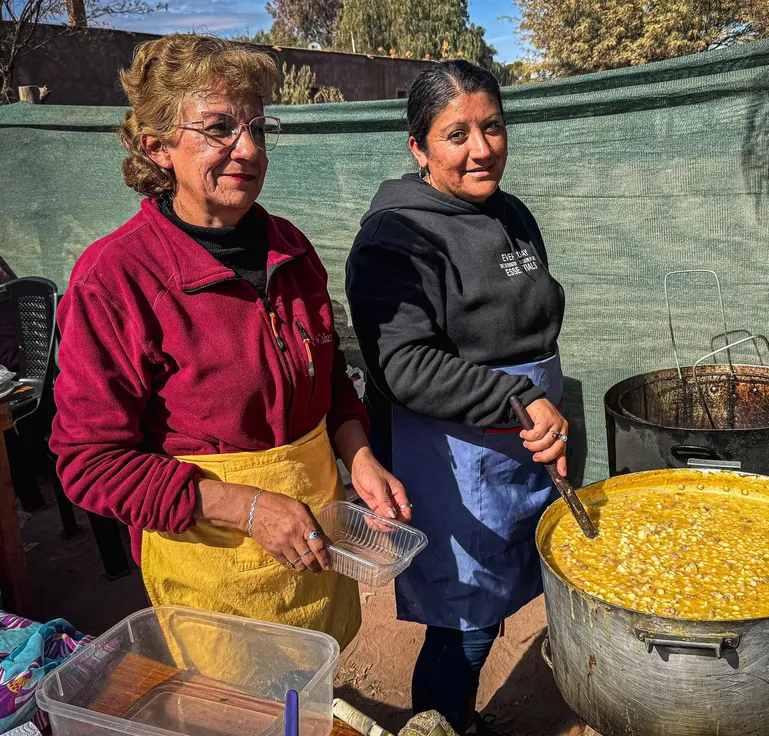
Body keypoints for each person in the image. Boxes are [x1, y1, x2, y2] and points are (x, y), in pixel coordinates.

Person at [49, 35, 410, 647]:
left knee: (316, 688)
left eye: (257, 128)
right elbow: (88, 462)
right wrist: (244, 508)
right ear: (157, 147)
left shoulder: (289, 249)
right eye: (218, 128)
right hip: (212, 573)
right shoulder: (116, 280)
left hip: (313, 549)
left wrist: (360, 456)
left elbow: (329, 385)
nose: (247, 150)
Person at [345, 60, 568, 734]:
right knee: (463, 621)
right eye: (455, 135)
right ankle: (442, 726)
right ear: (418, 148)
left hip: (516, 441)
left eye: (493, 127)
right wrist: (518, 399)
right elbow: (404, 365)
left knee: (491, 608)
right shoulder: (395, 237)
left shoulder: (509, 209)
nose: (481, 148)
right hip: (451, 457)